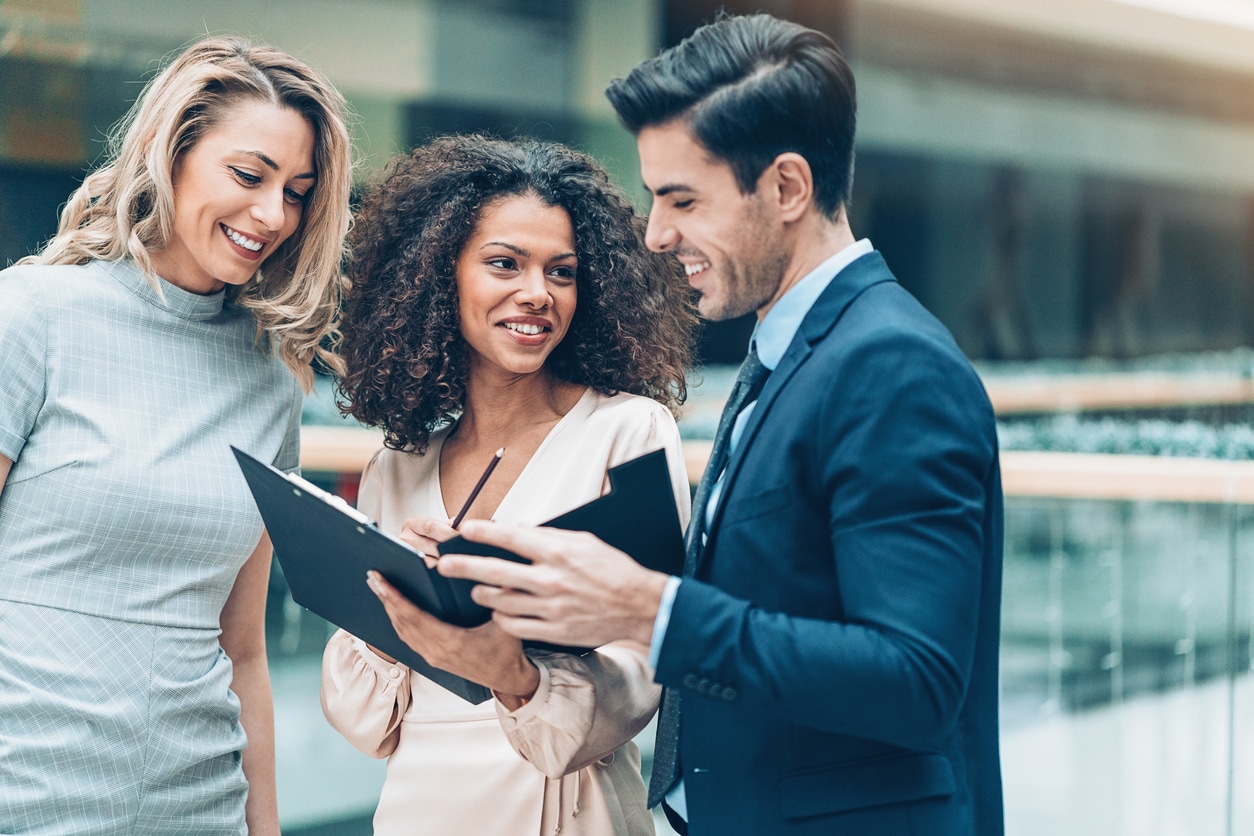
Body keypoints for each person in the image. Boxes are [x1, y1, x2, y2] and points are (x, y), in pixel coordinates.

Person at [435, 13, 1006, 836]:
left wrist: (651, 611)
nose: (656, 233)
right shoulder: (795, 349)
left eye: (682, 199)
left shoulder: (892, 368)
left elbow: (915, 682)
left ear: (785, 188)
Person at [0, 37, 352, 835]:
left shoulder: (271, 383)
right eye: (248, 175)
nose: (272, 215)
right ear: (174, 152)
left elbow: (245, 650)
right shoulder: (31, 316)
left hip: (198, 808)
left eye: (297, 192)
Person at [319, 134, 696, 836]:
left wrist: (517, 677)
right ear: (441, 274)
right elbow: (366, 723)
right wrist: (390, 621)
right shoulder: (393, 470)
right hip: (419, 811)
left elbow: (645, 670)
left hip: (565, 810)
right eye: (504, 264)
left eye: (562, 272)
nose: (536, 294)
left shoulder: (626, 432)